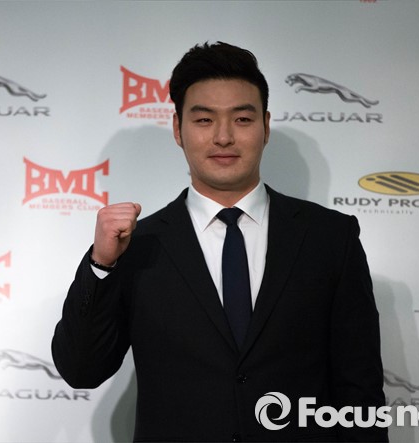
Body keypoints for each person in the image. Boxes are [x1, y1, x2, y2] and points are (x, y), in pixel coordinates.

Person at [52, 42, 387, 442]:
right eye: (204, 120)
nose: (224, 137)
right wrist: (101, 266)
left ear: (265, 126)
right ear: (178, 129)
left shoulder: (330, 237)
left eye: (242, 119)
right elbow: (82, 370)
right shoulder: (137, 245)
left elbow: (360, 392)